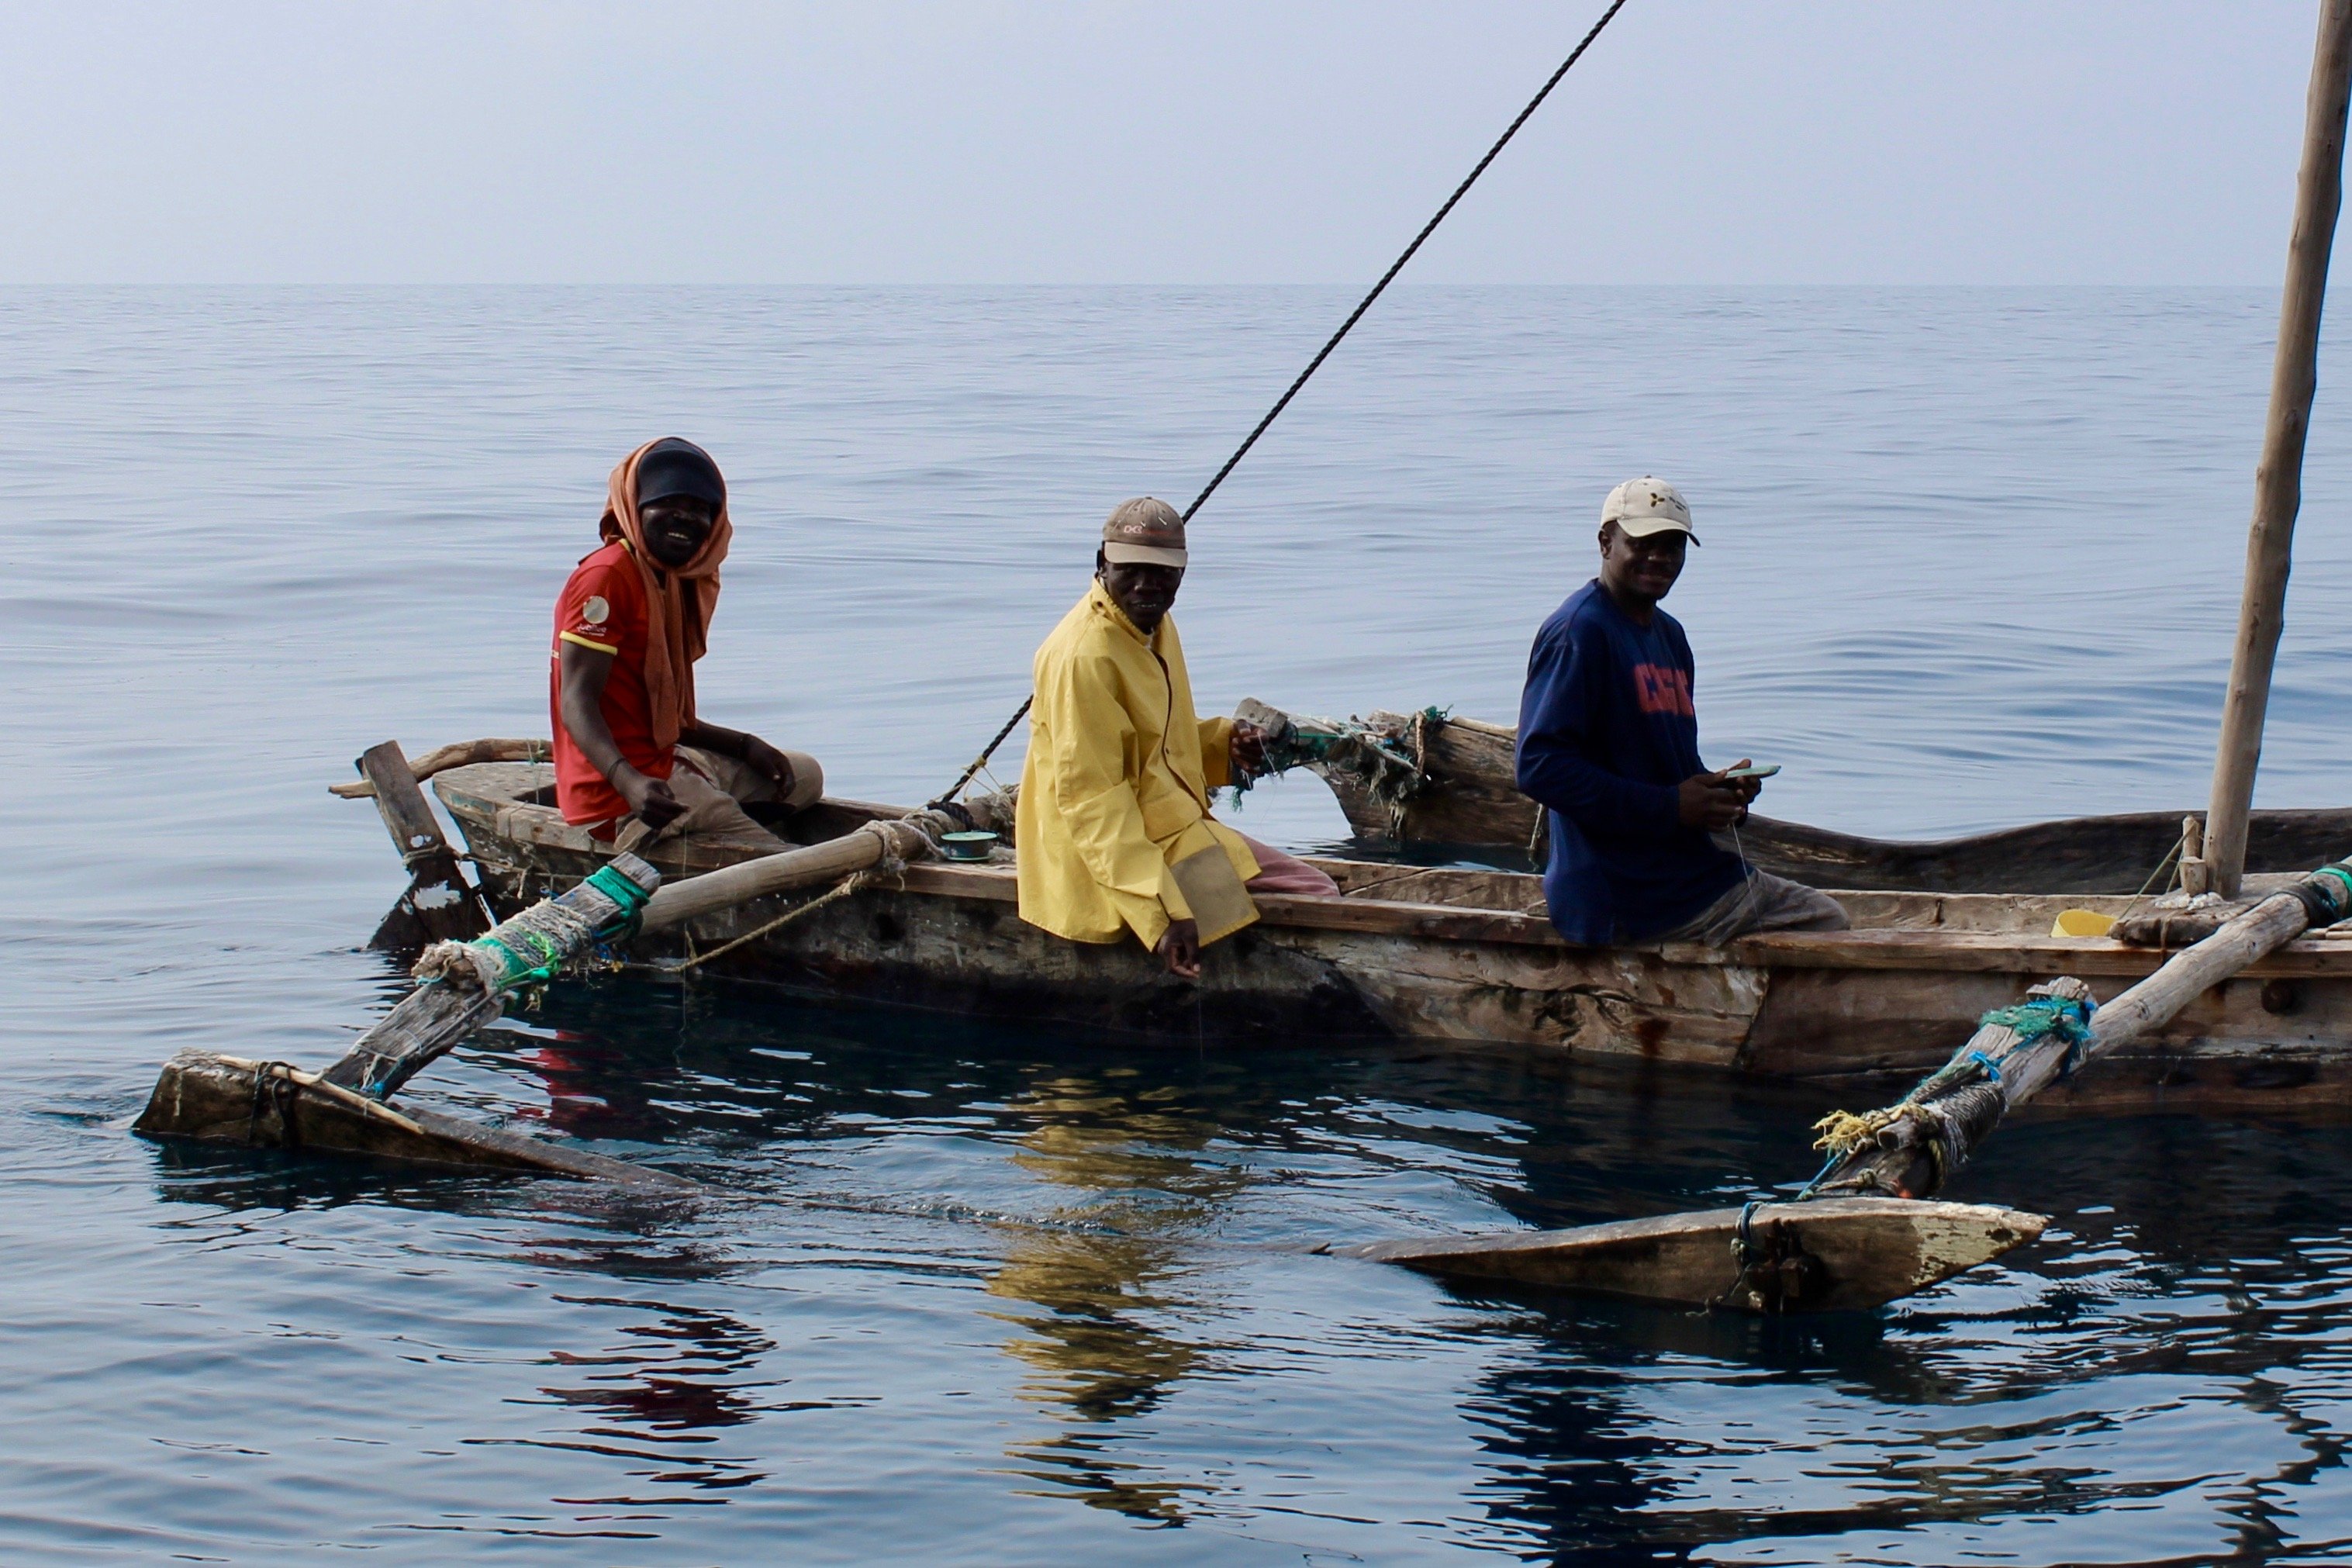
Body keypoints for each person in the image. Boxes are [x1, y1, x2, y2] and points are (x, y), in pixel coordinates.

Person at [1515, 477, 1848, 946]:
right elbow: (1540, 769)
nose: (1660, 557)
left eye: (1672, 545)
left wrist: (1716, 793)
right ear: (1606, 543)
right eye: (1643, 543)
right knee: (1825, 920)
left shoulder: (1668, 636)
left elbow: (1665, 768)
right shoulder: (1580, 633)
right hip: (1623, 893)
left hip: (1676, 876)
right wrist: (1671, 807)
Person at [1016, 498, 1339, 977]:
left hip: (1167, 828)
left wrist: (1223, 745)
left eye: (1162, 572)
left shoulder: (1151, 625)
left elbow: (1160, 745)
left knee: (1315, 889)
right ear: (1101, 564)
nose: (1148, 585)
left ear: (1183, 574)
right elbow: (1093, 803)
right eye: (1131, 570)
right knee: (1318, 894)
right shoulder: (1084, 658)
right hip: (1111, 858)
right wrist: (1161, 915)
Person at [550, 437, 822, 852]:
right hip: (620, 790)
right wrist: (630, 782)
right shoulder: (607, 578)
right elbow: (576, 702)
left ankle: (710, 818)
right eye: (669, 504)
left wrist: (746, 746)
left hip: (666, 757)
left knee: (803, 776)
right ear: (636, 507)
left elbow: (663, 714)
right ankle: (679, 825)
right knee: (790, 864)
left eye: (699, 510)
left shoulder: (668, 578)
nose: (686, 518)